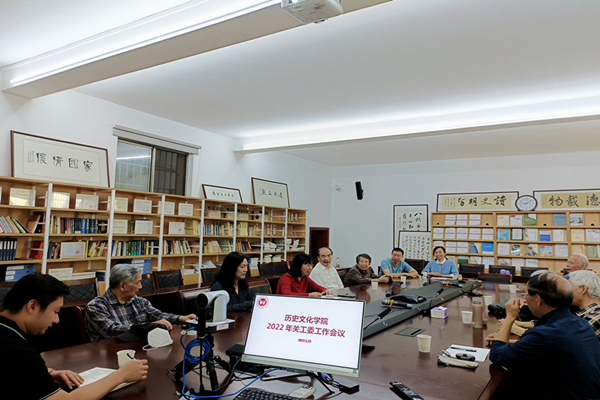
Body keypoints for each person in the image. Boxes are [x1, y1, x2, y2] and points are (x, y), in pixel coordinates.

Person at [0, 274, 148, 400]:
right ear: (32, 306)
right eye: (55, 311)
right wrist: (121, 375)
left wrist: (49, 373)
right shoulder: (17, 350)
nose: (56, 320)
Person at [486, 273, 600, 400]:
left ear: (538, 300)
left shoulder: (542, 336)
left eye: (526, 295)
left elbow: (497, 354)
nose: (524, 299)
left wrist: (510, 317)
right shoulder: (582, 323)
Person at [85, 264, 196, 342]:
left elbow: (157, 315)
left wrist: (180, 318)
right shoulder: (96, 307)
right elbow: (112, 330)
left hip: (138, 348)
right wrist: (150, 326)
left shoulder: (139, 301)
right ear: (122, 286)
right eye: (137, 283)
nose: (140, 287)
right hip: (109, 354)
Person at [569, 269, 600, 342]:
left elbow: (569, 341)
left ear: (583, 289)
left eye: (569, 288)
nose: (565, 292)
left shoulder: (594, 318)